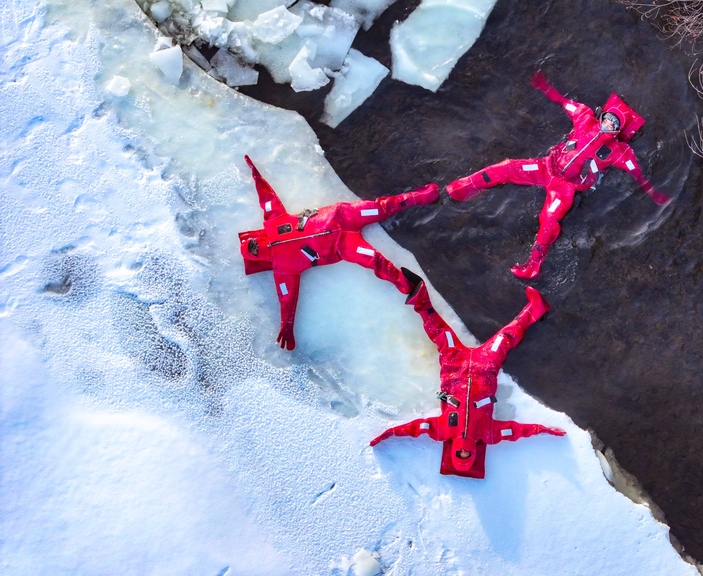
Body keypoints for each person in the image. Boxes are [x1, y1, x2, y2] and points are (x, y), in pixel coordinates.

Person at [445, 71, 670, 279]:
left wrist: (653, 193)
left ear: (618, 131)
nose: (608, 124)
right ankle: (468, 186)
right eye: (608, 119)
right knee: (508, 167)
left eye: (614, 124)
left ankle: (533, 265)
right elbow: (564, 102)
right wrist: (544, 87)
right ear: (602, 116)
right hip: (546, 167)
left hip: (565, 188)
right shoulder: (584, 117)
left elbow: (637, 172)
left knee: (549, 219)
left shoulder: (618, 152)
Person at [238, 155, 437, 350]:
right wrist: (286, 326)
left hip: (341, 215)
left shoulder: (273, 222)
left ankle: (416, 197)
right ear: (256, 258)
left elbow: (267, 198)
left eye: (252, 243)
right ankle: (405, 284)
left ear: (256, 237)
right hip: (342, 245)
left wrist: (256, 174)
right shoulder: (283, 271)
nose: (255, 246)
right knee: (374, 261)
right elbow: (287, 299)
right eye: (253, 251)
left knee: (379, 207)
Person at [370, 284, 565, 479]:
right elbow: (517, 431)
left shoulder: (441, 431)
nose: (464, 451)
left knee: (440, 333)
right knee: (505, 338)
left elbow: (412, 429)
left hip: (454, 366)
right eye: (468, 455)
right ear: (474, 455)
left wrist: (387, 434)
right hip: (485, 367)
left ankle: (420, 300)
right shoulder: (489, 434)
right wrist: (544, 430)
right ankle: (535, 308)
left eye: (459, 454)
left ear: (452, 451)